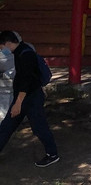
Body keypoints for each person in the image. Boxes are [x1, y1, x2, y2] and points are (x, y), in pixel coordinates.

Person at [0, 30, 59, 167]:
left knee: (39, 127)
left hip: (30, 98)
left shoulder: (26, 55)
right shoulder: (20, 51)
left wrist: (18, 103)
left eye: (1, 48)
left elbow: (26, 81)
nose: (2, 51)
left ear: (8, 43)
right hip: (24, 97)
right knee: (7, 126)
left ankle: (52, 154)